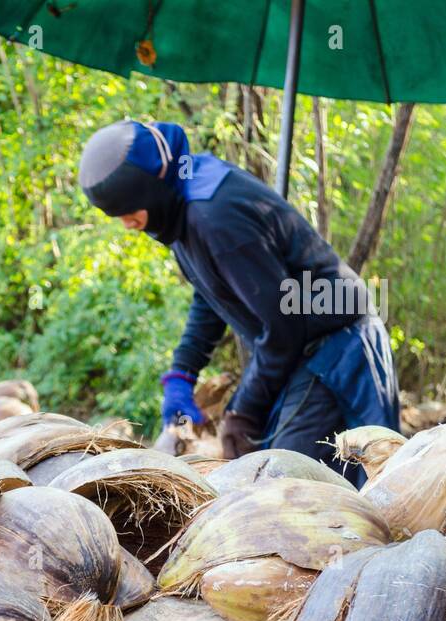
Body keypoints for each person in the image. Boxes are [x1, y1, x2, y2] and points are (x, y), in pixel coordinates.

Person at [78, 119, 399, 479]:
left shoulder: (215, 217)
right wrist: (182, 374)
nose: (127, 224)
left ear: (148, 191)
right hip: (298, 344)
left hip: (335, 345)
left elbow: (283, 325)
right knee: (275, 476)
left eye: (128, 211)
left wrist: (243, 411)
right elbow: (210, 292)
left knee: (293, 486)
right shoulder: (180, 200)